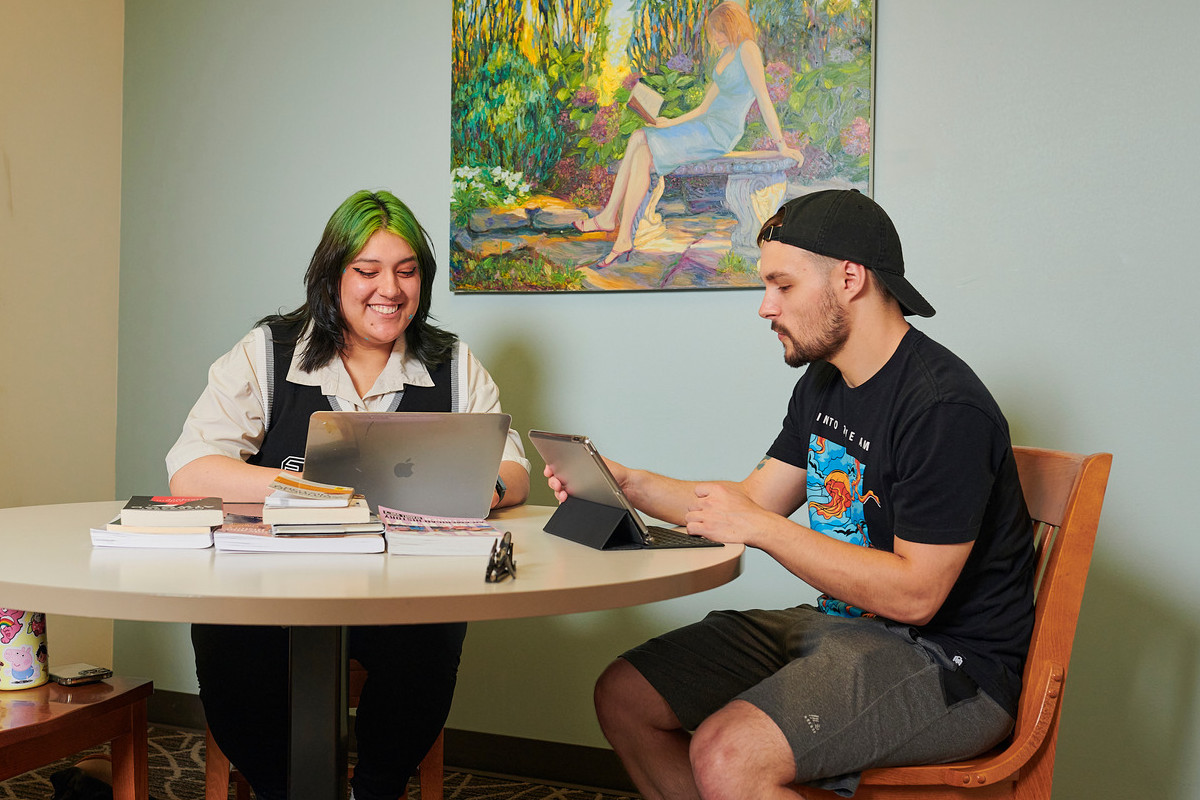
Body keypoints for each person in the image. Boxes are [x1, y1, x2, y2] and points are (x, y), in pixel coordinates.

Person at [548, 190, 1035, 798]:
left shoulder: (942, 407)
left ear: (850, 279)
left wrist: (762, 529)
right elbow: (754, 499)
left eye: (782, 285)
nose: (764, 307)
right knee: (626, 695)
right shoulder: (826, 383)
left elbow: (915, 596)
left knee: (728, 754)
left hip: (950, 667)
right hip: (848, 627)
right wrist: (631, 485)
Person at [167, 189, 530, 800]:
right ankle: (280, 787)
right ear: (332, 277)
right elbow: (191, 472)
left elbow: (514, 470)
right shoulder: (267, 352)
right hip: (273, 581)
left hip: (399, 585)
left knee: (433, 629)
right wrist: (313, 487)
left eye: (407, 271)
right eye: (367, 271)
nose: (389, 289)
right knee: (227, 630)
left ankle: (378, 787)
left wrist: (479, 485)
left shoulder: (453, 363)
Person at [573, 1, 803, 267]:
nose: (715, 37)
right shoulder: (726, 55)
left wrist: (781, 145)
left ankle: (622, 235)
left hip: (720, 133)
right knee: (638, 136)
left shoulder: (747, 50)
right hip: (704, 126)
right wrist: (668, 123)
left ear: (732, 26)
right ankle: (610, 216)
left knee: (644, 150)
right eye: (714, 32)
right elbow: (704, 107)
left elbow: (763, 97)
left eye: (719, 31)